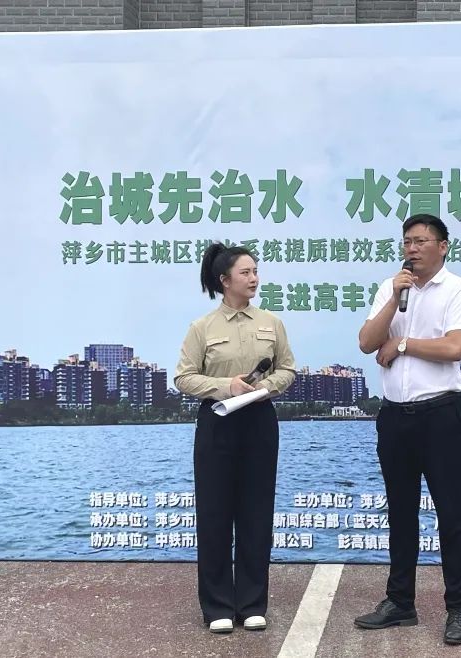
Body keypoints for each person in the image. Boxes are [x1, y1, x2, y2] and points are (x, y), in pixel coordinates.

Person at [353, 214, 461, 646]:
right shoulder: (391, 288)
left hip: (440, 416)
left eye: (422, 241)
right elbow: (367, 342)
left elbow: (454, 347)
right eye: (407, 241)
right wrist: (394, 297)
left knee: (451, 515)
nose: (412, 248)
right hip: (394, 418)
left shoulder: (458, 289)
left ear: (443, 246)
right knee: (401, 513)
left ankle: (457, 608)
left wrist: (402, 344)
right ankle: (400, 602)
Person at [174, 242, 295, 634]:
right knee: (214, 514)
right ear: (224, 280)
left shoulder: (272, 323)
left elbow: (288, 368)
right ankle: (217, 607)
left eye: (255, 271)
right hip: (218, 421)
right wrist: (228, 386)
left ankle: (252, 603)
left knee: (256, 513)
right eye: (246, 272)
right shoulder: (202, 328)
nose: (254, 278)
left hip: (259, 419)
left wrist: (265, 387)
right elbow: (184, 377)